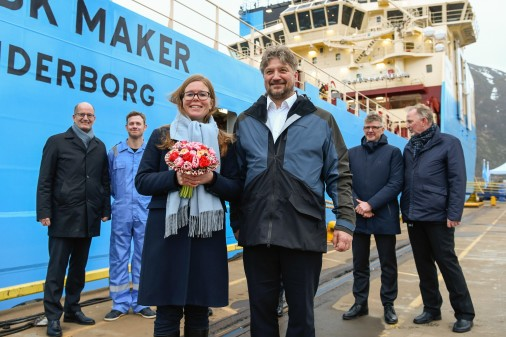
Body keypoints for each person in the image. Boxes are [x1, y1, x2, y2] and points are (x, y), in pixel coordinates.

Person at [232, 44, 355, 337]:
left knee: (301, 317)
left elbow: (339, 174)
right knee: (260, 316)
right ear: (263, 76)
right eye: (269, 71)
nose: (276, 76)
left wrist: (346, 222)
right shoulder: (246, 120)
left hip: (303, 231)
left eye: (282, 70)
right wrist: (238, 224)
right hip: (258, 233)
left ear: (295, 75)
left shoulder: (322, 119)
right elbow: (236, 178)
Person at [135, 74, 242, 337]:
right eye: (190, 94)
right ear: (180, 100)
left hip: (206, 234)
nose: (196, 98)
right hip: (167, 233)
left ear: (211, 101)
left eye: (202, 94)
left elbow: (237, 188)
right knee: (167, 311)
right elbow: (142, 181)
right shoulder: (162, 135)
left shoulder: (224, 142)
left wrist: (211, 178)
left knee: (198, 311)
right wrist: (175, 177)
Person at [36, 102, 111, 337]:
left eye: (90, 115)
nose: (86, 118)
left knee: (79, 269)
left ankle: (72, 309)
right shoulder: (57, 141)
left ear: (95, 118)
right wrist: (44, 212)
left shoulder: (99, 146)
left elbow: (104, 181)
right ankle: (52, 317)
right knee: (56, 269)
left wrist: (104, 208)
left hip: (89, 216)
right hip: (63, 216)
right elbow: (45, 179)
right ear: (74, 116)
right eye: (82, 114)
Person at [401, 103, 475, 333]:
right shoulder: (410, 146)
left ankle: (464, 313)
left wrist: (454, 213)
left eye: (410, 121)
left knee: (447, 263)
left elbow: (457, 179)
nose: (408, 125)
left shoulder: (448, 143)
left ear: (424, 120)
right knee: (423, 266)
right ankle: (432, 308)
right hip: (414, 215)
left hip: (438, 216)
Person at [343, 114, 403, 324]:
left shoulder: (393, 153)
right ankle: (360, 303)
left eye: (375, 127)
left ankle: (388, 305)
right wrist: (359, 206)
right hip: (359, 216)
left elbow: (396, 183)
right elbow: (344, 183)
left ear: (383, 129)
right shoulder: (352, 154)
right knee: (359, 264)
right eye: (367, 127)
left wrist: (371, 204)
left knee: (388, 264)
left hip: (384, 215)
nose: (370, 130)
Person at [104, 112, 156, 321]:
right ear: (126, 127)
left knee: (144, 256)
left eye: (138, 124)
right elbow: (107, 181)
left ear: (145, 127)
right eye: (131, 124)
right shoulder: (115, 152)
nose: (135, 127)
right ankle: (120, 303)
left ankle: (142, 302)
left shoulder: (151, 153)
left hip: (146, 211)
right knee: (118, 256)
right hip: (122, 211)